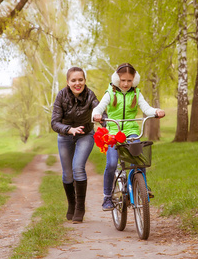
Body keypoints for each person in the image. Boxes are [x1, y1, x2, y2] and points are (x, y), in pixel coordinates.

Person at [92, 63, 166, 211]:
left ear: (134, 81)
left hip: (131, 131)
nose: (125, 84)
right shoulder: (110, 93)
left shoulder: (136, 94)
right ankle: (107, 196)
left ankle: (143, 186)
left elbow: (146, 108)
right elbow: (99, 107)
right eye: (122, 80)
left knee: (139, 158)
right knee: (112, 163)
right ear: (116, 79)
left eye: (129, 81)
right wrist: (96, 115)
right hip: (113, 133)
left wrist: (156, 111)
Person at [51, 67, 101, 223]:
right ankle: (71, 205)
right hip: (65, 136)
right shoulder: (61, 96)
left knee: (78, 167)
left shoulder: (90, 95)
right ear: (68, 82)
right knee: (67, 174)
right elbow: (54, 123)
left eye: (80, 80)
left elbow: (100, 112)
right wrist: (69, 129)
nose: (77, 83)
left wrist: (103, 121)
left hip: (85, 135)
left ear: (85, 81)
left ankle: (80, 208)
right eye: (73, 80)